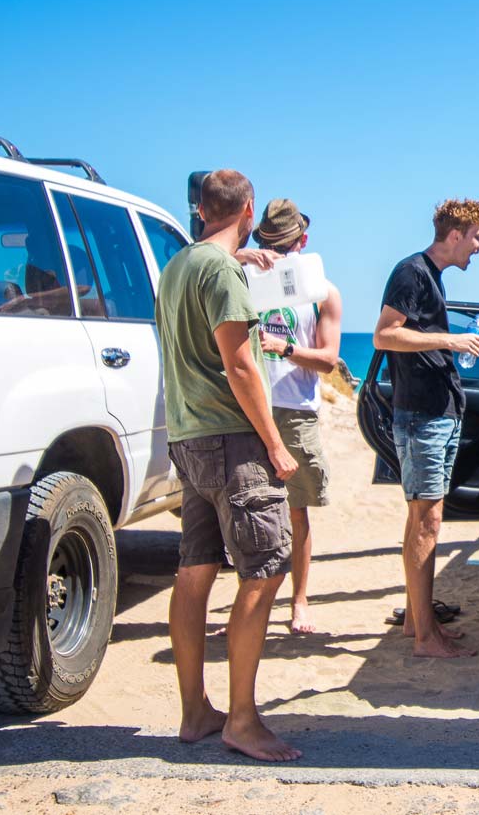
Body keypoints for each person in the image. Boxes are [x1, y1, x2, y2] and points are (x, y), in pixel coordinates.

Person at [155, 169, 301, 762]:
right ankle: (242, 719)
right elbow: (240, 365)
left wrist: (246, 259)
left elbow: (209, 284)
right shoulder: (220, 272)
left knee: (194, 571)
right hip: (231, 440)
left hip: (188, 439)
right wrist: (275, 442)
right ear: (247, 208)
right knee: (264, 569)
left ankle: (195, 711)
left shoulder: (180, 266)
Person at [373, 198, 479, 659]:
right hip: (421, 415)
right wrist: (450, 339)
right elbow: (384, 334)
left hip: (433, 412)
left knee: (420, 519)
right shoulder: (412, 272)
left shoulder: (430, 276)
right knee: (428, 521)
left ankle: (416, 624)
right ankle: (426, 637)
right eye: (478, 237)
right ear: (456, 233)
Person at [238, 198, 342, 634]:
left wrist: (285, 349)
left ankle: (299, 602)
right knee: (247, 513)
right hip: (247, 408)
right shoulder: (241, 277)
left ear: (303, 240)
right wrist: (240, 255)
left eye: (284, 242)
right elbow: (199, 262)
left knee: (297, 513)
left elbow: (329, 361)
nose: (278, 250)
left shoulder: (323, 290)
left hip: (296, 411)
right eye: (269, 242)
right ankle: (247, 606)